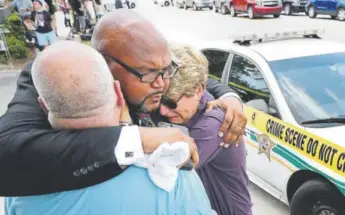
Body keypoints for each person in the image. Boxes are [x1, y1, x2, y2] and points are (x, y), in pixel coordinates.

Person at [0, 9, 246, 197]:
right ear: (106, 66)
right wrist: (137, 139)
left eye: (166, 70)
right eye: (149, 73)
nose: (162, 84)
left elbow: (192, 77)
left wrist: (229, 97)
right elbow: (5, 156)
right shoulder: (57, 74)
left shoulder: (153, 71)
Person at [4, 41, 220, 215]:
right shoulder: (170, 169)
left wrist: (226, 94)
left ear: (42, 104)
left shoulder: (20, 182)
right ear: (118, 92)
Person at [159, 44, 258, 215]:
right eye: (160, 100)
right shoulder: (191, 105)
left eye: (171, 103)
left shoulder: (215, 124)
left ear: (198, 91)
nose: (163, 111)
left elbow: (166, 171)